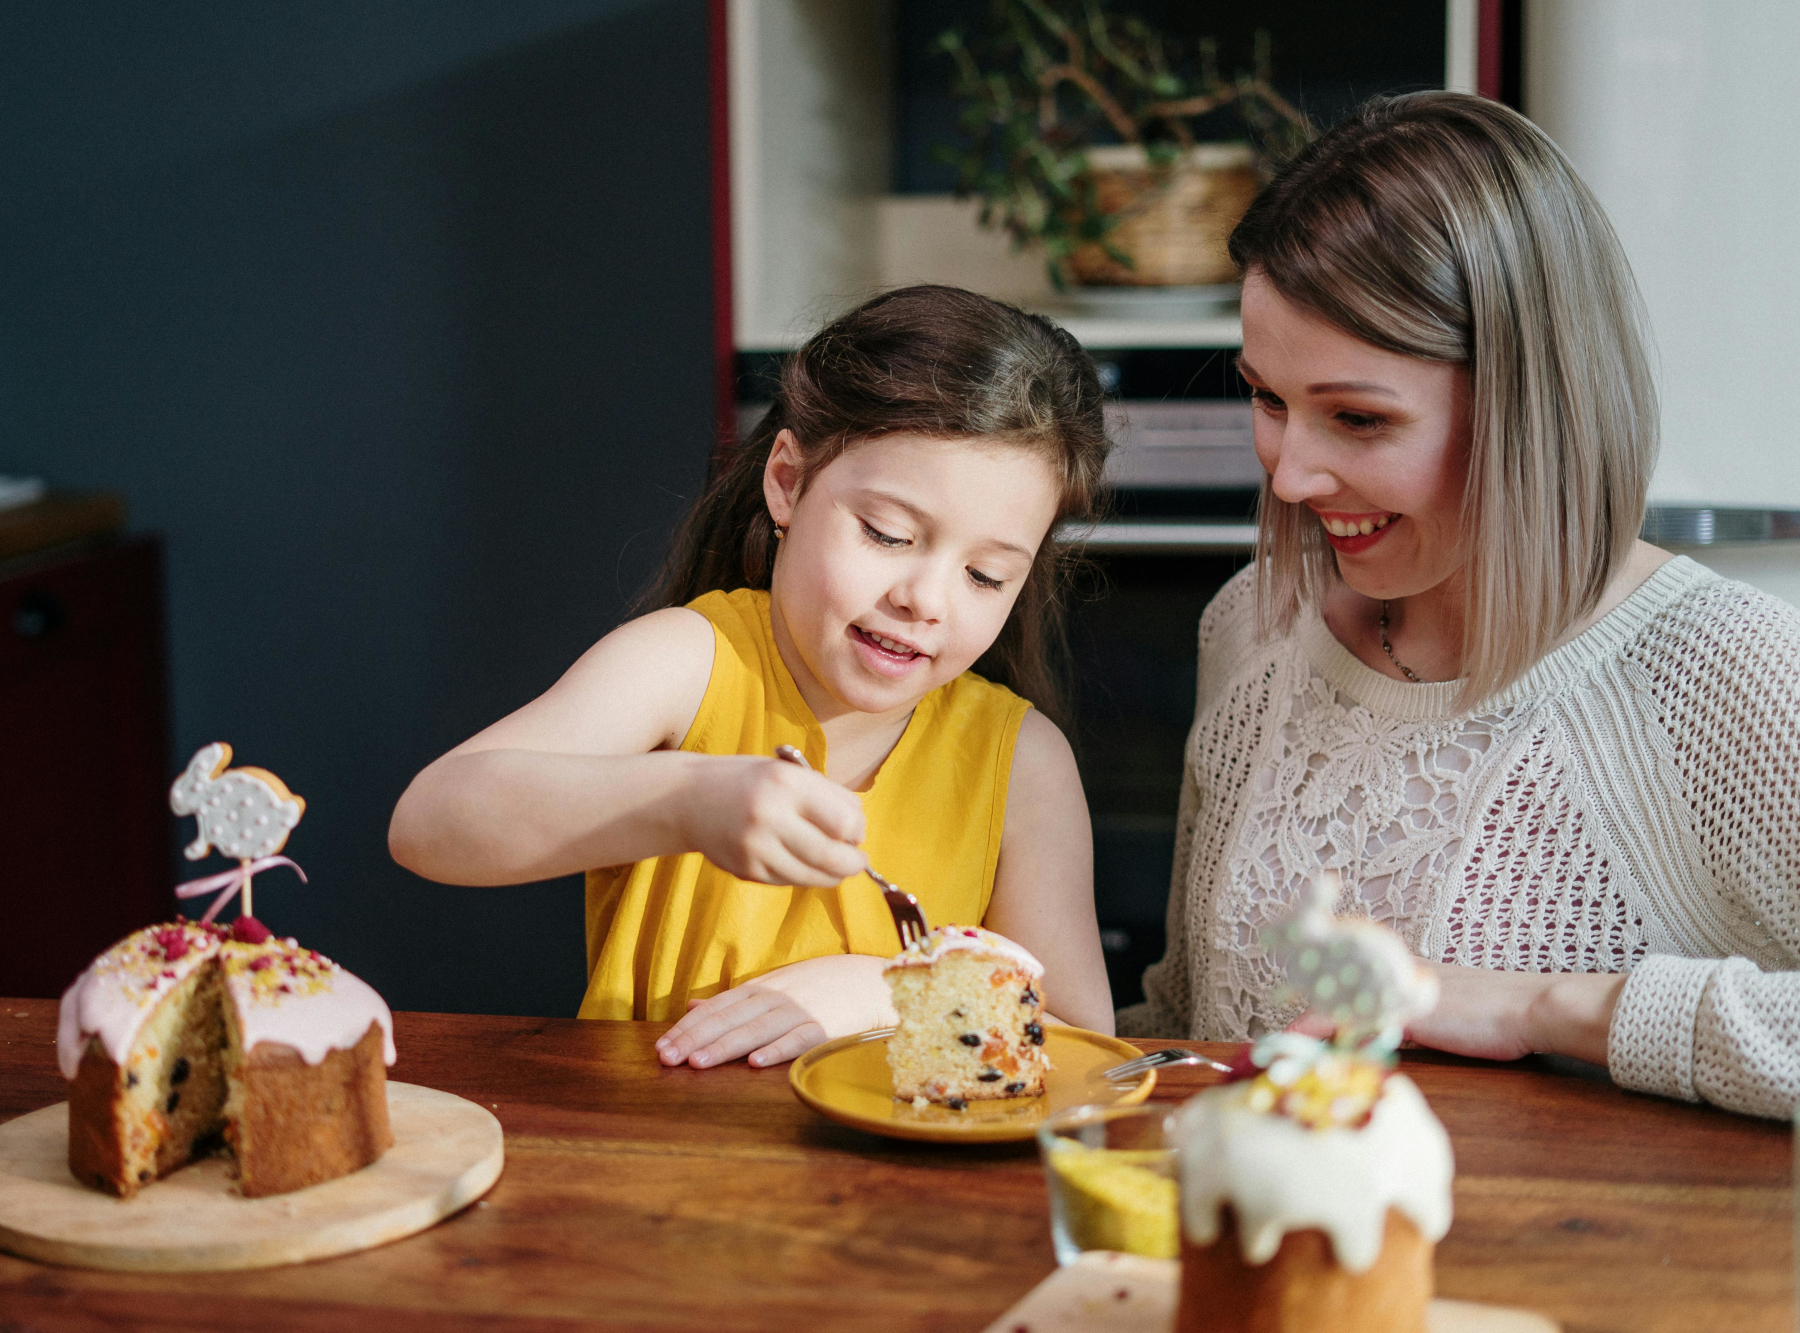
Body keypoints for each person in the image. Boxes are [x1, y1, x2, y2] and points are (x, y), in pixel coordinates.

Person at [1119, 92, 1800, 1118]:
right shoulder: (1251, 623)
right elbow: (1184, 1021)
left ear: (1528, 403)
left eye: (1354, 416)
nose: (1291, 474)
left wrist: (1545, 1009)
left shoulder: (1724, 674)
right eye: (1266, 398)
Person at [393, 285, 1116, 1069]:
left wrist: (890, 988)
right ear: (787, 482)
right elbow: (429, 822)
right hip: (662, 1157)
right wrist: (687, 799)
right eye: (888, 533)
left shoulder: (1022, 762)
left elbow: (1084, 1037)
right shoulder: (689, 664)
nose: (924, 600)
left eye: (984, 575)